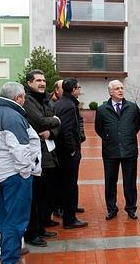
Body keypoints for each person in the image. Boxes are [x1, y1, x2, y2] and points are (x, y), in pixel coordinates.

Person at [0, 82, 41, 264]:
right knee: (16, 219)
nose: (24, 100)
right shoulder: (12, 116)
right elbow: (20, 150)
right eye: (23, 96)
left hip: (0, 173)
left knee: (5, 217)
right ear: (17, 98)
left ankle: (11, 250)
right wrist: (26, 172)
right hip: (15, 175)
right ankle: (9, 258)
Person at [22, 70, 61, 247]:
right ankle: (32, 232)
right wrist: (55, 120)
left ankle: (41, 226)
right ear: (29, 83)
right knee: (35, 196)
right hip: (36, 155)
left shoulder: (45, 99)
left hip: (49, 153)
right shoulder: (28, 100)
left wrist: (52, 130)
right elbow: (38, 121)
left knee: (46, 194)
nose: (42, 83)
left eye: (44, 80)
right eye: (38, 80)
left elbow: (52, 127)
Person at [95, 80, 140, 220]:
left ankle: (131, 208)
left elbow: (137, 125)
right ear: (110, 92)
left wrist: (128, 137)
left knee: (130, 182)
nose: (120, 90)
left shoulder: (132, 107)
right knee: (110, 181)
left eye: (121, 88)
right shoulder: (102, 109)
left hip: (129, 150)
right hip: (110, 151)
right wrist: (109, 138)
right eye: (117, 89)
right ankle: (111, 209)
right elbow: (99, 128)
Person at [54, 77, 88, 229]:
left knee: (65, 184)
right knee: (70, 185)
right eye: (78, 87)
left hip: (62, 152)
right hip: (68, 153)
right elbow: (66, 130)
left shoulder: (61, 102)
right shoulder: (68, 105)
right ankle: (70, 219)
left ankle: (68, 213)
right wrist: (72, 150)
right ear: (74, 89)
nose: (80, 89)